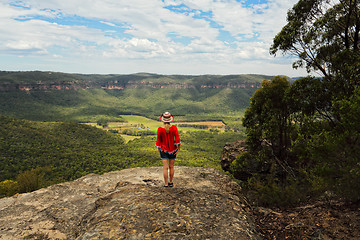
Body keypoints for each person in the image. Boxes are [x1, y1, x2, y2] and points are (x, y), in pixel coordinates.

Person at [155, 112, 181, 187]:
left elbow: (158, 141)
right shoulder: (174, 128)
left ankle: (166, 184)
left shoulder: (160, 129)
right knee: (171, 167)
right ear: (170, 120)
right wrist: (178, 148)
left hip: (163, 150)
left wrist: (159, 149)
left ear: (163, 120)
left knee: (165, 168)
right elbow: (177, 139)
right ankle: (170, 182)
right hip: (173, 150)